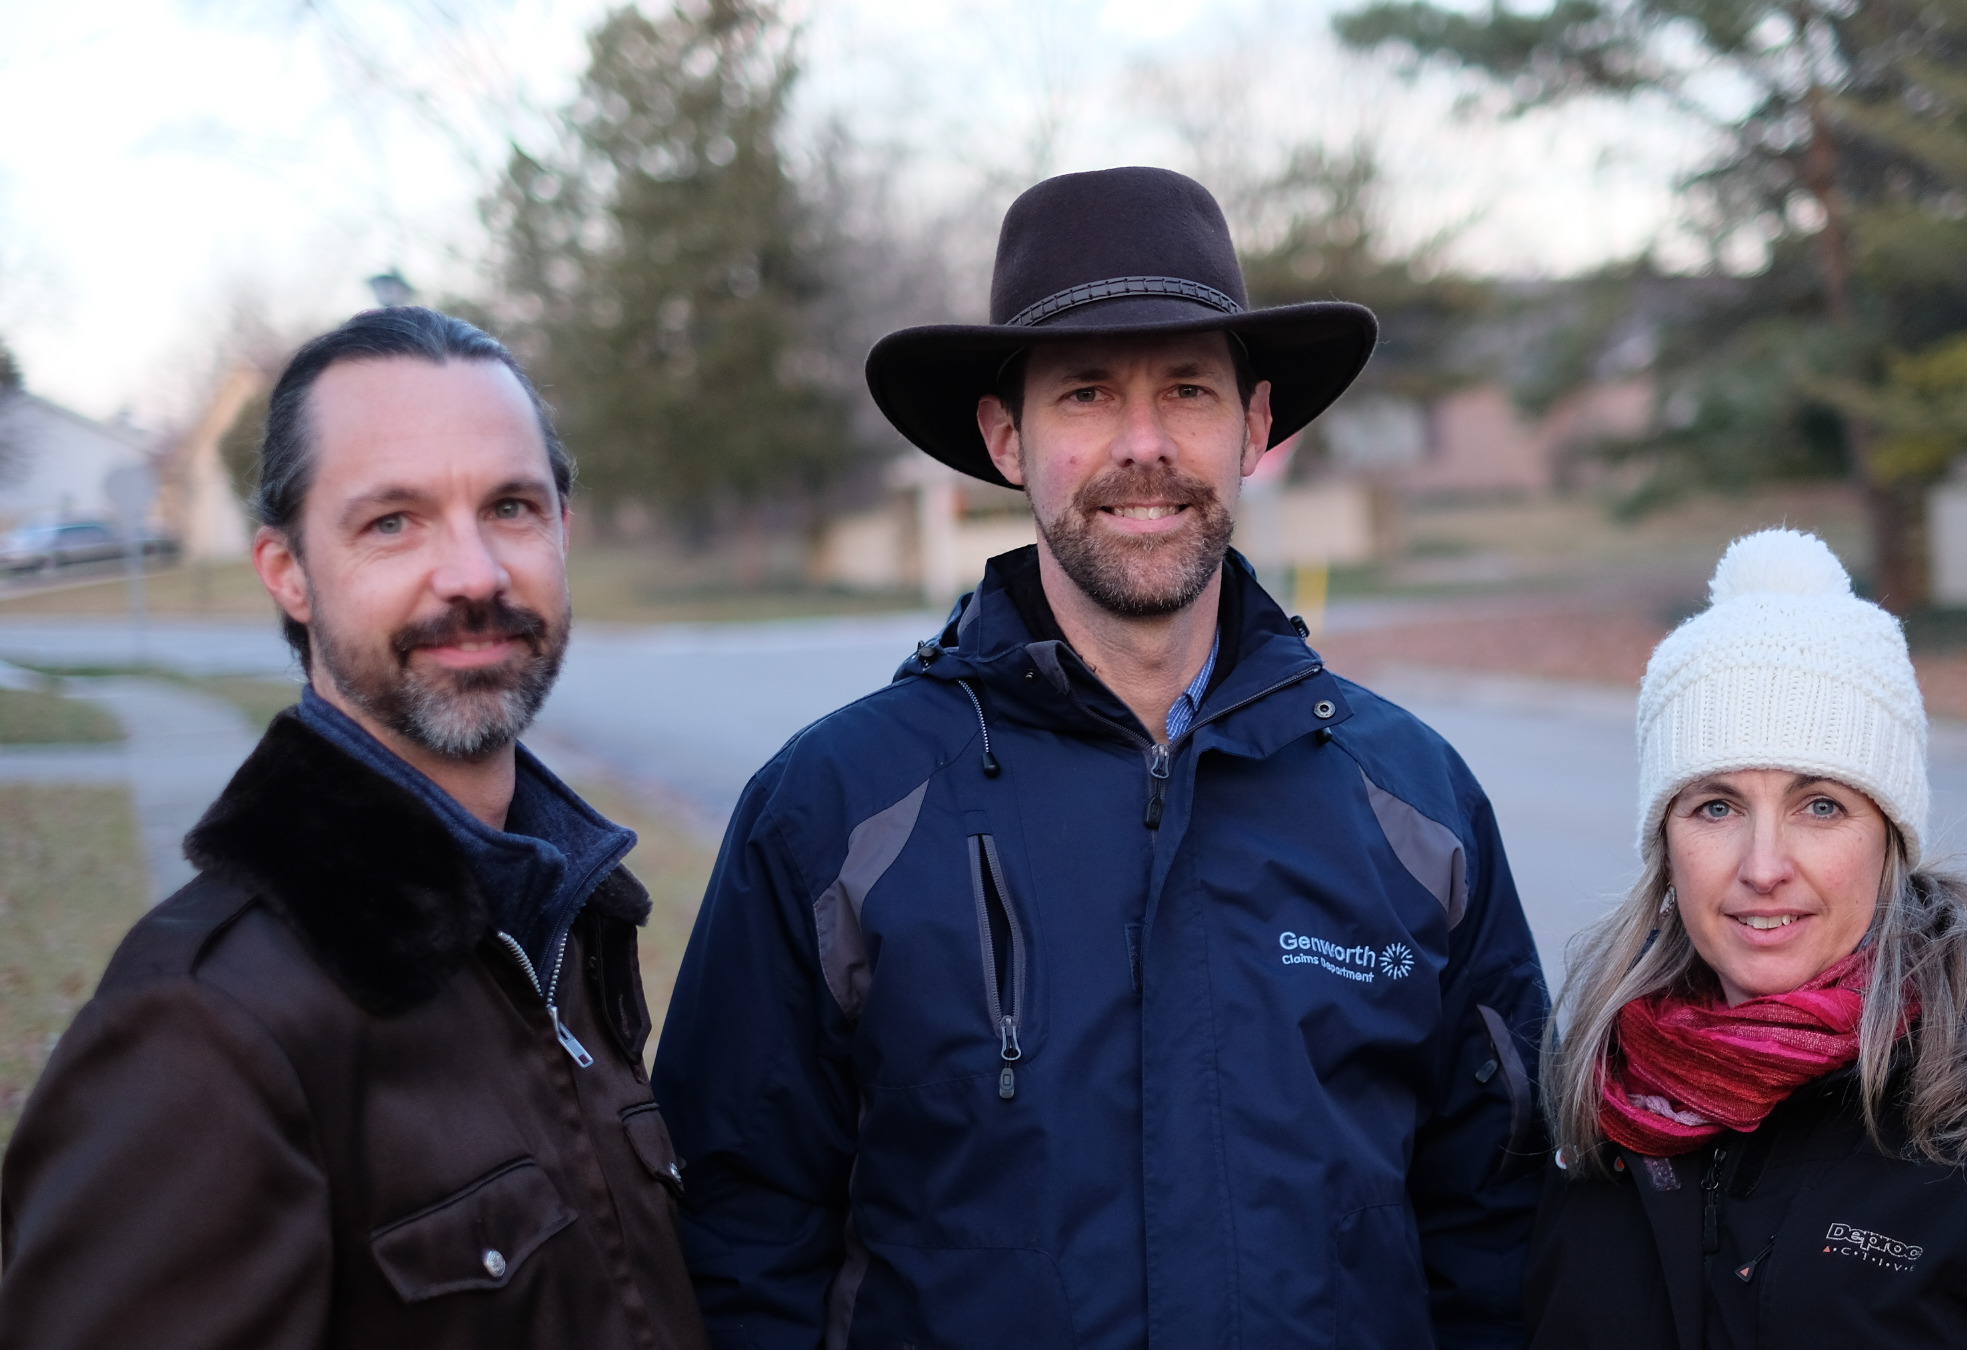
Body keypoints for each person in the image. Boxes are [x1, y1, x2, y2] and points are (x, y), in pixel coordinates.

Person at [653, 166, 1549, 1349]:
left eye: (1188, 389)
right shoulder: (832, 812)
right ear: (1006, 438)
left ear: (1256, 427)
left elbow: (1500, 1236)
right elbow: (738, 1240)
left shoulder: (1417, 806)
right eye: (1085, 394)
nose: (1144, 445)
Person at [0, 308, 706, 1350]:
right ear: (287, 570)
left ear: (562, 527)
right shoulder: (200, 1031)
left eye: (510, 507)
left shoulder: (558, 925)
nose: (474, 573)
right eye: (393, 522)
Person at [1522, 529, 1967, 1349]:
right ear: (1666, 844)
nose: (1764, 866)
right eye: (1716, 806)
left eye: (1820, 806)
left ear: (1889, 839)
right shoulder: (1603, 1098)